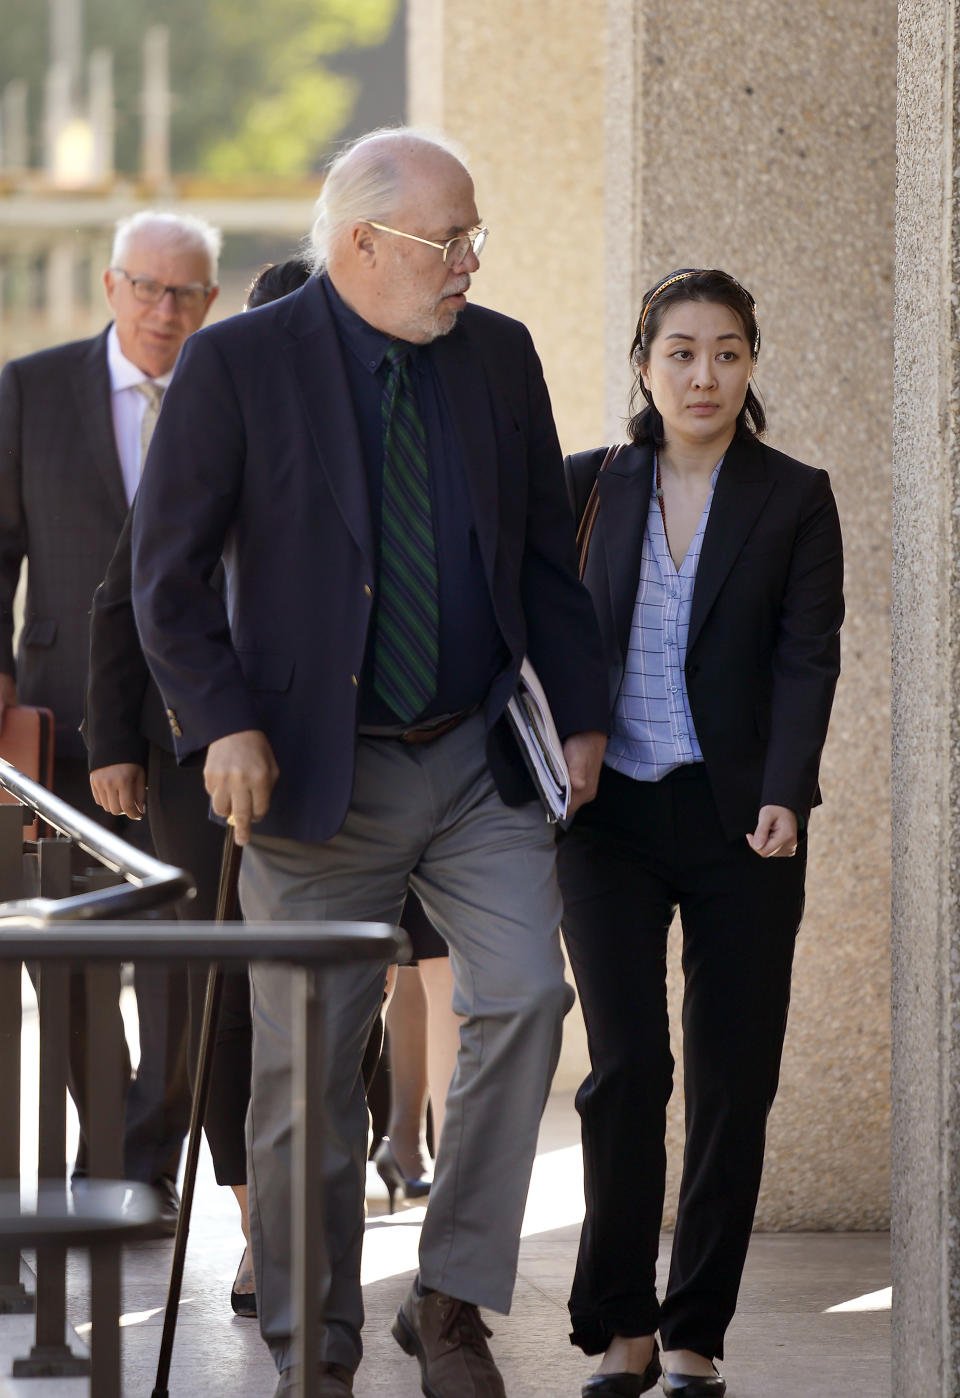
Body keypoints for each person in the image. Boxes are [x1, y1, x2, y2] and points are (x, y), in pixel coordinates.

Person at [130, 126, 608, 1398]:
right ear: (362, 245)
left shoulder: (497, 355)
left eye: (473, 239)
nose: (467, 264)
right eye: (448, 242)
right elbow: (164, 579)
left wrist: (583, 719)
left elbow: (547, 556)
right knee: (304, 1077)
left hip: (473, 760)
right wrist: (217, 720)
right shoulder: (237, 365)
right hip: (307, 774)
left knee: (524, 1001)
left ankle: (448, 1298)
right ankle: (317, 1346)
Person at [557, 268, 844, 1398]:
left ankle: (695, 1334)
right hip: (608, 818)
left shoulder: (794, 496)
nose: (704, 374)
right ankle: (618, 1323)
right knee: (627, 1069)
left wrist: (790, 786)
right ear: (643, 363)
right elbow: (543, 634)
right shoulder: (587, 488)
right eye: (680, 351)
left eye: (727, 352)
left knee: (734, 1079)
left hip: (745, 822)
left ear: (752, 365)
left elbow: (806, 652)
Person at [83, 255, 311, 1315]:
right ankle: (262, 1228)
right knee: (223, 995)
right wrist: (117, 746)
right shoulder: (209, 428)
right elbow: (124, 595)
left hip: (356, 764)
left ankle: (318, 1209)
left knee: (337, 991)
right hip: (207, 760)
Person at [0, 211, 220, 1226]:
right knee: (81, 951)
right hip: (67, 719)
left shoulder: (226, 394)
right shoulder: (30, 390)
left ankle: (141, 1157)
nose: (163, 310)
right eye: (146, 287)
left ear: (210, 303)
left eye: (185, 293)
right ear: (109, 286)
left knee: (178, 947)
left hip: (187, 726)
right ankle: (109, 1143)